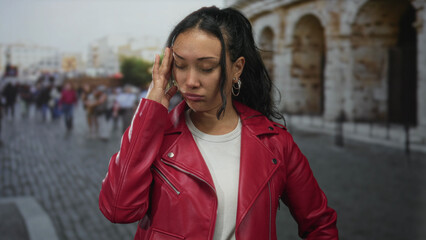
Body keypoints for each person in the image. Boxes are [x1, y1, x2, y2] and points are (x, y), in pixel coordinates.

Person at [99, 6, 338, 240]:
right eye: (180, 65)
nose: (190, 81)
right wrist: (150, 113)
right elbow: (118, 209)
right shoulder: (157, 136)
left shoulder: (275, 143)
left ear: (237, 68)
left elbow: (320, 224)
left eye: (206, 67)